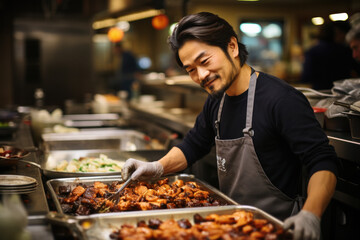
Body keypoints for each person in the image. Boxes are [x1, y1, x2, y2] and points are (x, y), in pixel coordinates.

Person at [122, 12, 338, 240]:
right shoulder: (217, 100)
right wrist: (156, 167)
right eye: (191, 70)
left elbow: (322, 160)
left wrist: (311, 214)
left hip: (278, 229)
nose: (201, 75)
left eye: (204, 61)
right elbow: (193, 145)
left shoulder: (282, 99)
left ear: (232, 47)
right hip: (229, 228)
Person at [301, 21, 360, 90]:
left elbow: (306, 77)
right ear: (336, 33)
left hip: (320, 92)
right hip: (343, 92)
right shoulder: (344, 50)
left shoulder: (312, 51)